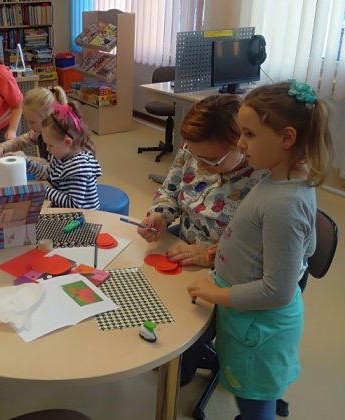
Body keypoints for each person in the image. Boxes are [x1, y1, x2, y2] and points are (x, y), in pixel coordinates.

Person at [187, 81, 333, 420]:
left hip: (259, 327)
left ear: (287, 138)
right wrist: (229, 251)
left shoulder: (285, 203)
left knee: (254, 401)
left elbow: (278, 291)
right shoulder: (285, 178)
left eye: (250, 134)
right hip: (250, 319)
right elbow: (305, 246)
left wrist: (214, 293)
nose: (240, 143)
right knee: (251, 394)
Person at [137, 94, 266, 268]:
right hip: (183, 244)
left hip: (227, 269)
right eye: (193, 154)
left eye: (210, 160)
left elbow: (264, 253)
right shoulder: (195, 150)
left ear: (242, 145)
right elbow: (170, 190)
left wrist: (212, 256)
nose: (198, 165)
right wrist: (161, 215)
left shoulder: (265, 181)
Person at [25, 101, 102, 209]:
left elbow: (73, 204)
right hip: (65, 209)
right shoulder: (60, 155)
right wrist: (27, 164)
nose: (47, 149)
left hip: (83, 215)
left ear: (67, 142)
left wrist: (45, 191)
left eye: (50, 145)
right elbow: (50, 173)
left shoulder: (79, 167)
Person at [0, 86, 68, 164]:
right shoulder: (38, 133)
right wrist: (2, 147)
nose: (29, 126)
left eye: (32, 122)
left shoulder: (60, 139)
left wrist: (25, 158)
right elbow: (19, 141)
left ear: (48, 117)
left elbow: (51, 166)